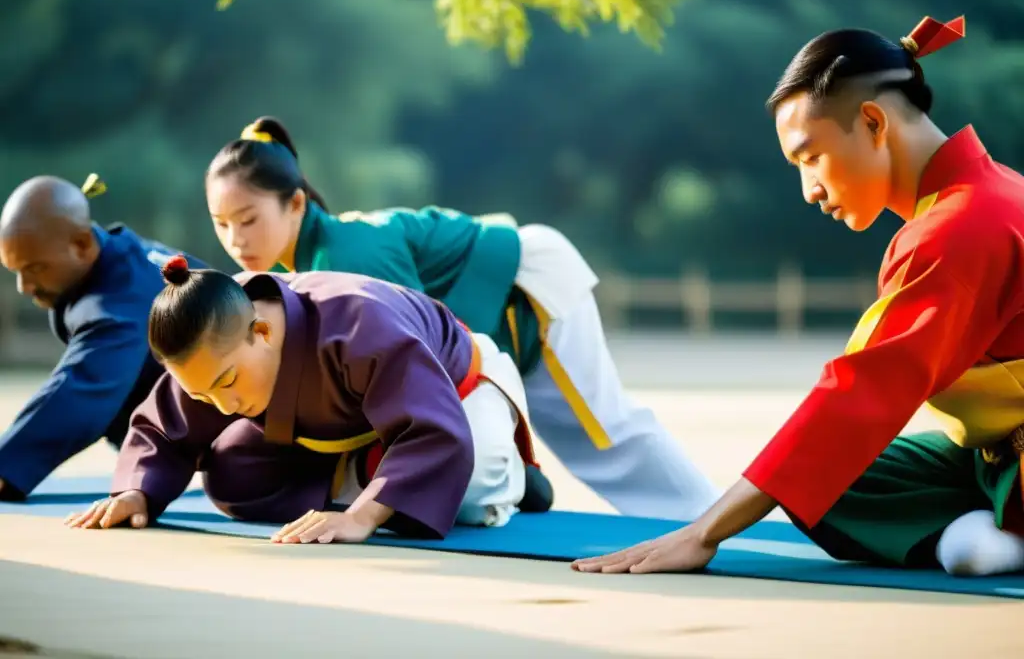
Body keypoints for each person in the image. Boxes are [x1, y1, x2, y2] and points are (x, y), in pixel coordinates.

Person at [572, 14, 1024, 579]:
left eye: (811, 157)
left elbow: (860, 394)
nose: (810, 189)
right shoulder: (980, 198)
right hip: (997, 459)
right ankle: (984, 532)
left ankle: (991, 543)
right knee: (810, 479)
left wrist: (704, 532)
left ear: (873, 122)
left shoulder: (961, 227)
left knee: (813, 463)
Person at [198, 117, 720, 522]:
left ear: (294, 204)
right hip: (489, 318)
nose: (236, 240)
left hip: (527, 289)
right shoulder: (306, 269)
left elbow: (414, 358)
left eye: (248, 219)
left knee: (604, 437)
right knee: (591, 439)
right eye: (221, 225)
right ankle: (526, 478)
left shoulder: (348, 255)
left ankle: (709, 522)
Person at [67, 257, 543, 542]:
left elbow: (431, 426)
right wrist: (136, 491)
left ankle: (516, 478)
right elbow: (165, 424)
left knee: (475, 485)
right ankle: (374, 473)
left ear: (263, 331)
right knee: (231, 472)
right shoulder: (214, 342)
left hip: (455, 391)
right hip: (340, 430)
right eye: (204, 394)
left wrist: (361, 517)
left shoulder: (359, 322)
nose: (225, 404)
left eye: (228, 382)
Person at [0, 174, 206, 501]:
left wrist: (5, 466)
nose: (23, 287)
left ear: (81, 245)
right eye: (16, 272)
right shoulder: (119, 255)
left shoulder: (121, 300)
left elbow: (81, 389)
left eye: (35, 268)